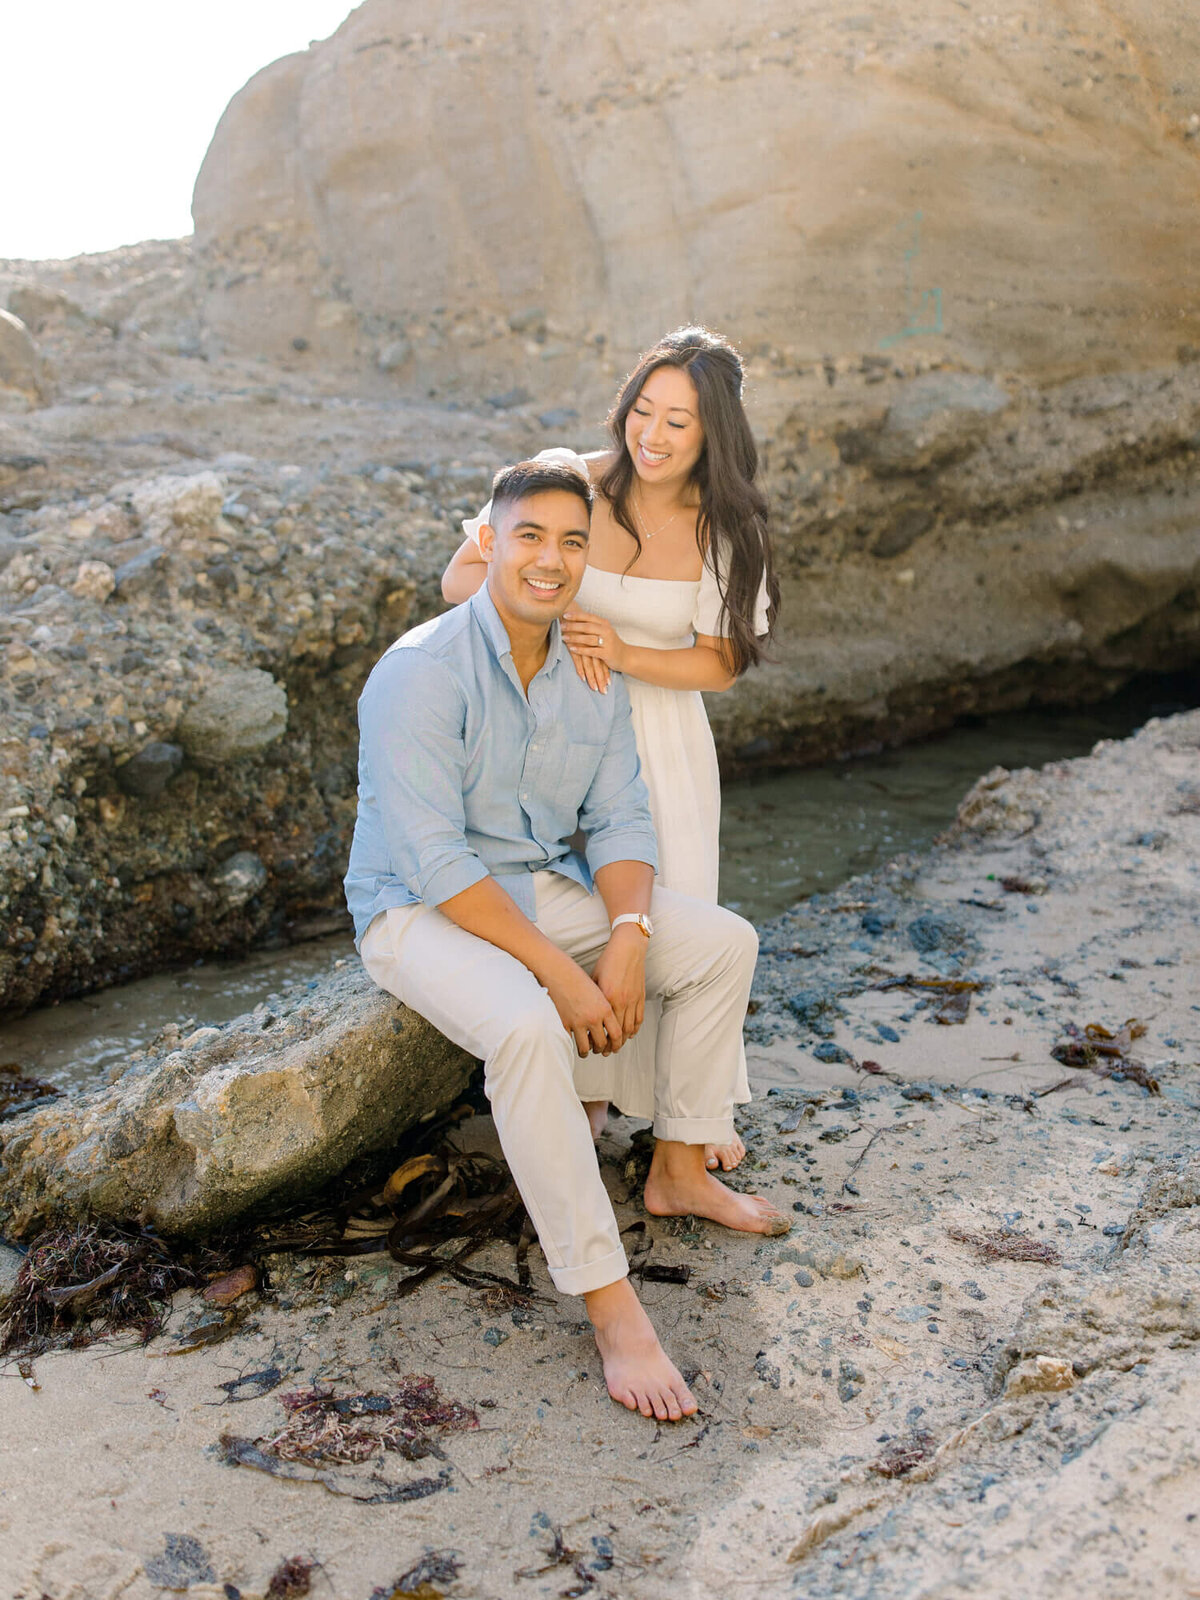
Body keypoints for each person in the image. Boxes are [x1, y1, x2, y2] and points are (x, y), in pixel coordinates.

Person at [346, 458, 788, 1422]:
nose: (551, 560)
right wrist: (562, 976)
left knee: (721, 942)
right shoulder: (419, 671)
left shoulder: (588, 669)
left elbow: (621, 818)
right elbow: (434, 860)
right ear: (489, 543)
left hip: (538, 885)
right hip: (414, 908)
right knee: (528, 1029)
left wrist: (627, 938)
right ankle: (608, 1300)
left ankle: (678, 1167)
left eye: (572, 542)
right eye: (531, 537)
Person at [442, 326, 778, 1172]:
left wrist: (624, 653)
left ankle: (687, 1106)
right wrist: (557, 622)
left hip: (660, 740)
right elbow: (460, 580)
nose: (652, 435)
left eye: (678, 422)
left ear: (712, 433)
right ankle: (583, 1087)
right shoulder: (567, 481)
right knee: (566, 904)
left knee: (672, 917)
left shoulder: (726, 527)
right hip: (548, 728)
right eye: (643, 410)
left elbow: (722, 664)